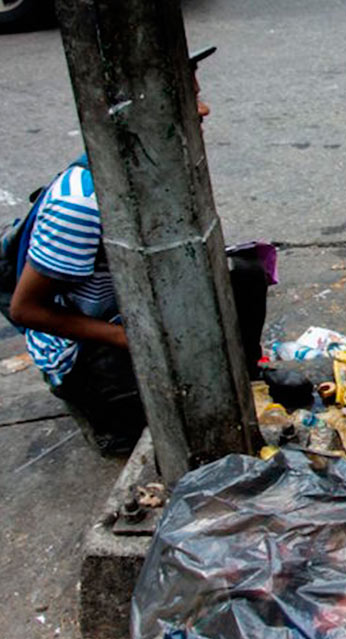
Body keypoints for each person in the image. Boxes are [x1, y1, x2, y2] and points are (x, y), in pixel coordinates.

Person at [9, 46, 271, 455]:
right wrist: (130, 338)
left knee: (246, 273)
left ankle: (248, 380)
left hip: (134, 311)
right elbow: (26, 310)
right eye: (190, 101)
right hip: (89, 349)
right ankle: (108, 416)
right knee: (172, 424)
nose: (204, 110)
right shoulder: (79, 204)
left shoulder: (163, 166)